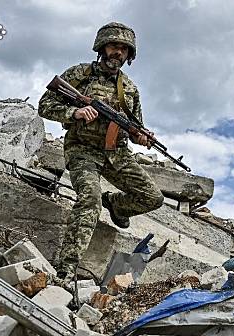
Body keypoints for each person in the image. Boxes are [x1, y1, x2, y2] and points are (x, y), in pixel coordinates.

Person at [38, 22, 164, 280]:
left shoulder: (129, 89)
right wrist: (74, 112)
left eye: (124, 49)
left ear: (129, 55)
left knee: (153, 198)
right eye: (114, 46)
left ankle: (115, 205)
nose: (118, 52)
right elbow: (45, 105)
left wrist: (141, 137)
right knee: (89, 202)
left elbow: (134, 127)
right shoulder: (80, 74)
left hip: (116, 154)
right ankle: (66, 269)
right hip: (83, 150)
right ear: (102, 47)